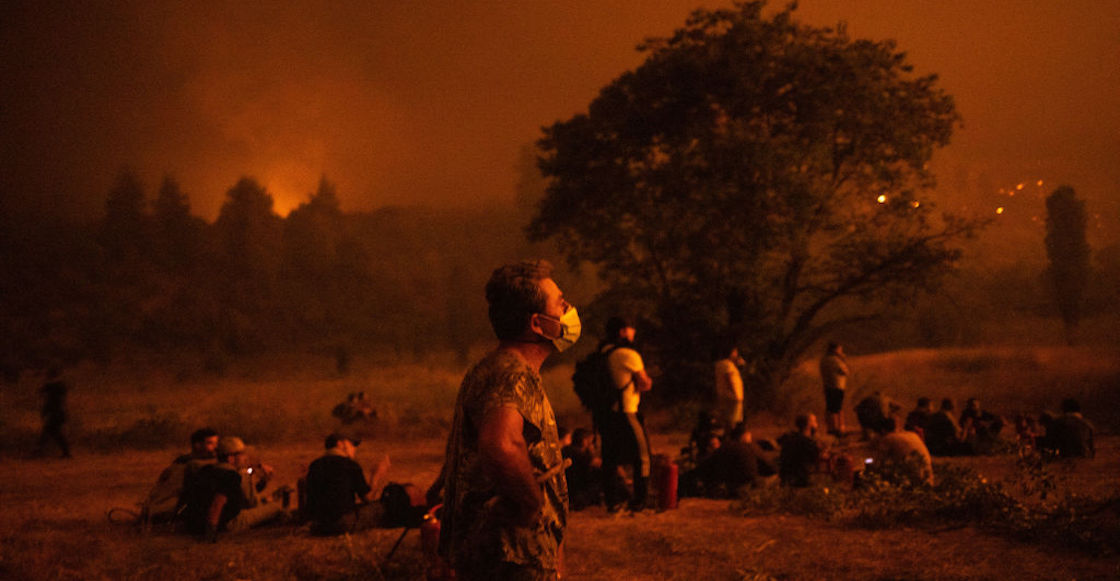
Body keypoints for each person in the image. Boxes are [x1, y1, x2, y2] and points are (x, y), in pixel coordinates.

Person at [440, 260, 573, 581]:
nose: (570, 309)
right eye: (561, 303)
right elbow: (500, 444)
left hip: (501, 553)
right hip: (512, 554)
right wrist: (531, 505)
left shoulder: (493, 368)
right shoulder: (511, 373)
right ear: (538, 324)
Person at [599, 316, 654, 513]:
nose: (634, 332)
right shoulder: (629, 354)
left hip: (608, 413)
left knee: (610, 459)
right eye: (631, 328)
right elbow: (645, 382)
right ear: (622, 331)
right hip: (627, 412)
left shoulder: (604, 353)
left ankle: (612, 502)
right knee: (642, 456)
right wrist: (646, 382)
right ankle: (640, 501)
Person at [180, 436, 284, 541]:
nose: (245, 457)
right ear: (230, 458)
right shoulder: (231, 476)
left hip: (196, 523)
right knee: (275, 508)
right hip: (228, 523)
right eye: (241, 454)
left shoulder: (207, 470)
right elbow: (217, 504)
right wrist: (211, 533)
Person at [304, 432, 391, 535]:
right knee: (381, 507)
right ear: (341, 444)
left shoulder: (315, 465)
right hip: (342, 524)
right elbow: (368, 498)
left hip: (318, 525)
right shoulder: (350, 465)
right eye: (352, 445)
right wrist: (376, 475)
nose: (354, 449)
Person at [143, 428, 219, 523]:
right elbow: (170, 492)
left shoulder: (202, 463)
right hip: (166, 510)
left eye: (216, 443)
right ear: (198, 445)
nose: (216, 447)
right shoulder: (184, 464)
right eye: (210, 443)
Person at [692, 422, 777, 497]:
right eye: (748, 434)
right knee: (775, 478)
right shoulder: (751, 447)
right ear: (744, 436)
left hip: (732, 488)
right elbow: (770, 467)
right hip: (748, 487)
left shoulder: (724, 447)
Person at [871, 417, 934, 485]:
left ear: (883, 431)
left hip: (913, 480)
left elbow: (878, 462)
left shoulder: (889, 438)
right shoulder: (912, 434)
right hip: (928, 476)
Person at [777, 414, 823, 488]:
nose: (817, 423)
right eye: (814, 421)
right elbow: (818, 458)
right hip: (801, 481)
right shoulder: (808, 442)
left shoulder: (790, 438)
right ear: (808, 424)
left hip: (786, 479)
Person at [562, 428, 602, 511]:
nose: (590, 444)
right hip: (577, 488)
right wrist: (591, 450)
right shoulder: (576, 452)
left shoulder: (567, 449)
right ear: (584, 440)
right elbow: (598, 464)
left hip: (569, 487)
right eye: (590, 441)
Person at [35, 366, 71, 458]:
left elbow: (40, 391)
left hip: (55, 413)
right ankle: (66, 453)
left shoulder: (52, 386)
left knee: (48, 431)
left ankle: (38, 451)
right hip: (59, 412)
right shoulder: (61, 385)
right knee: (55, 433)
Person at [819, 342, 850, 437]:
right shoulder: (836, 360)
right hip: (837, 386)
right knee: (837, 408)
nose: (841, 352)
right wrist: (843, 360)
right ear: (835, 350)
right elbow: (845, 372)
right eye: (840, 349)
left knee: (830, 407)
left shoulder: (823, 359)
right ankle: (839, 429)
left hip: (827, 385)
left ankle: (831, 428)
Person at [713, 343, 746, 427]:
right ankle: (728, 438)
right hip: (732, 397)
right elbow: (730, 378)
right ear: (730, 353)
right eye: (735, 352)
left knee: (727, 420)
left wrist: (738, 365)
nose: (737, 354)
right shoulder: (727, 365)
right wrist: (735, 393)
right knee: (732, 421)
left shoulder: (722, 364)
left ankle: (725, 437)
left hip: (726, 396)